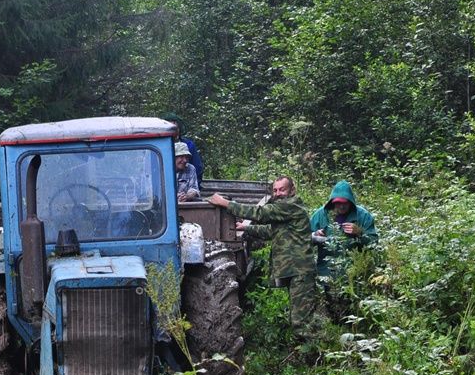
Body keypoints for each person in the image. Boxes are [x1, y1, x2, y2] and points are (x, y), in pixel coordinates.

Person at [207, 176, 322, 336]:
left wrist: (225, 203)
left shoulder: (290, 205)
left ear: (292, 190)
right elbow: (271, 231)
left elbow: (260, 213)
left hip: (300, 270)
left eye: (282, 189)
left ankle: (315, 352)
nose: (278, 193)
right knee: (301, 318)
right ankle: (313, 348)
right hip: (295, 270)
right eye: (275, 190)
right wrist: (245, 229)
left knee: (301, 322)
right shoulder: (285, 211)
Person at [310, 180, 378, 280]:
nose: (341, 206)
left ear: (351, 202)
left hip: (354, 272)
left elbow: (374, 243)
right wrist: (315, 235)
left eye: (345, 203)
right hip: (326, 271)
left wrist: (359, 233)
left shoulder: (363, 216)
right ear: (332, 202)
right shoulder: (321, 215)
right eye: (338, 203)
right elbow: (303, 239)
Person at [161, 113, 204, 182]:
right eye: (169, 129)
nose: (173, 132)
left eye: (175, 129)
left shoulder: (189, 145)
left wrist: (193, 188)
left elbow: (197, 169)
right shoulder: (159, 146)